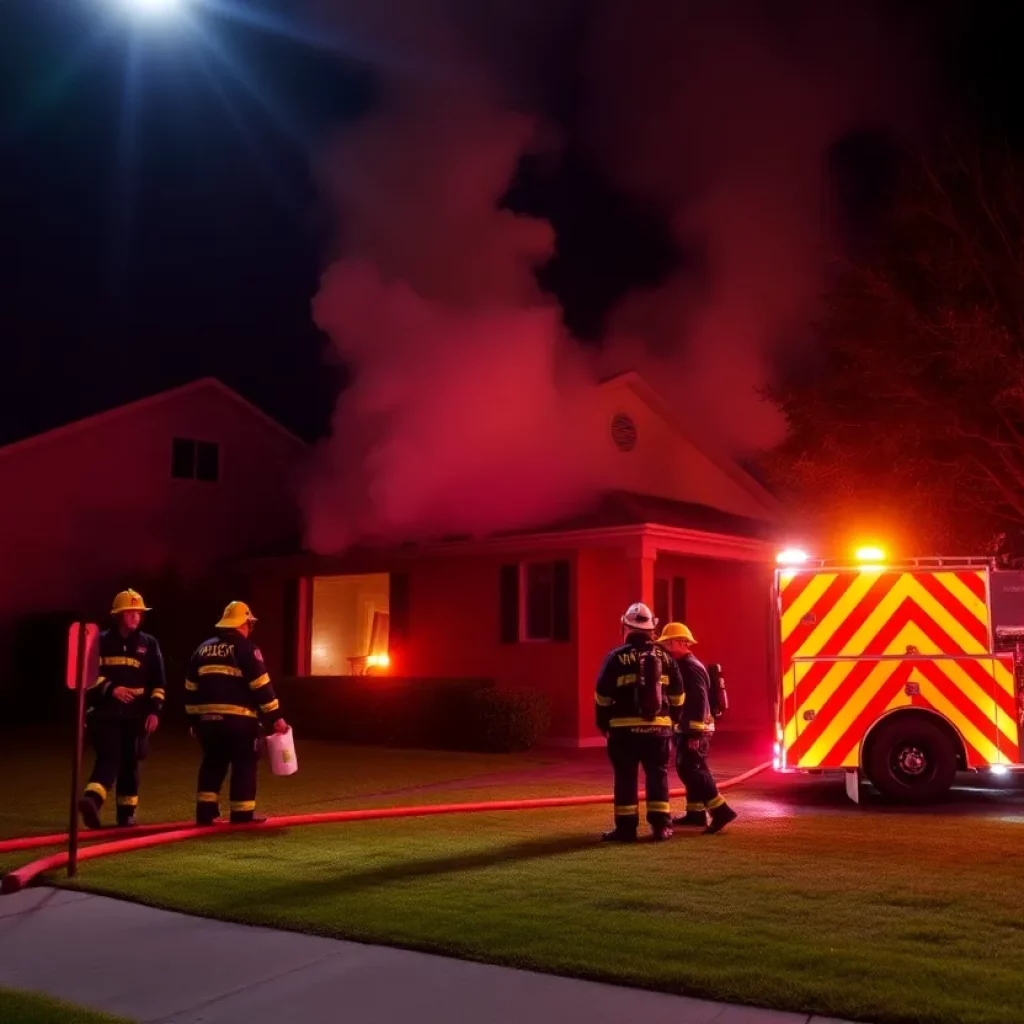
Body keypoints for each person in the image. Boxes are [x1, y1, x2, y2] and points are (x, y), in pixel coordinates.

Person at [185, 601, 288, 825]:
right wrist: (276, 717)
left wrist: (193, 721)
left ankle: (205, 813)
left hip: (208, 723)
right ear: (243, 624)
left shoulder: (202, 649)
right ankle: (242, 815)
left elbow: (190, 687)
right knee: (244, 764)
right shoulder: (246, 648)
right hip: (239, 722)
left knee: (212, 763)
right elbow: (261, 685)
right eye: (249, 624)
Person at [594, 602, 684, 842]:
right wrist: (672, 721)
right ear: (652, 629)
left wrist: (603, 724)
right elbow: (678, 695)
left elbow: (602, 695)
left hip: (624, 733)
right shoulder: (666, 657)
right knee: (658, 775)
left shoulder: (616, 657)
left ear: (626, 626)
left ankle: (626, 829)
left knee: (625, 777)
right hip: (659, 731)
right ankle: (661, 827)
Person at [79, 589, 166, 829]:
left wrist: (154, 711)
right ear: (118, 615)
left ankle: (126, 815)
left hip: (136, 715)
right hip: (104, 713)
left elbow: (158, 683)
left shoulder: (149, 644)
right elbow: (87, 676)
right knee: (110, 757)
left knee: (130, 763)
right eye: (130, 613)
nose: (136, 617)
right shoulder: (100, 641)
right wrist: (111, 689)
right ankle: (92, 802)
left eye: (139, 613)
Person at [656, 622, 737, 834]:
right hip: (690, 727)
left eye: (668, 642)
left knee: (691, 768)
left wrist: (694, 732)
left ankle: (721, 811)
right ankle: (695, 813)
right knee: (692, 767)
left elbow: (699, 700)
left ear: (682, 642)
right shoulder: (685, 665)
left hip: (695, 729)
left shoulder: (690, 667)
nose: (665, 647)